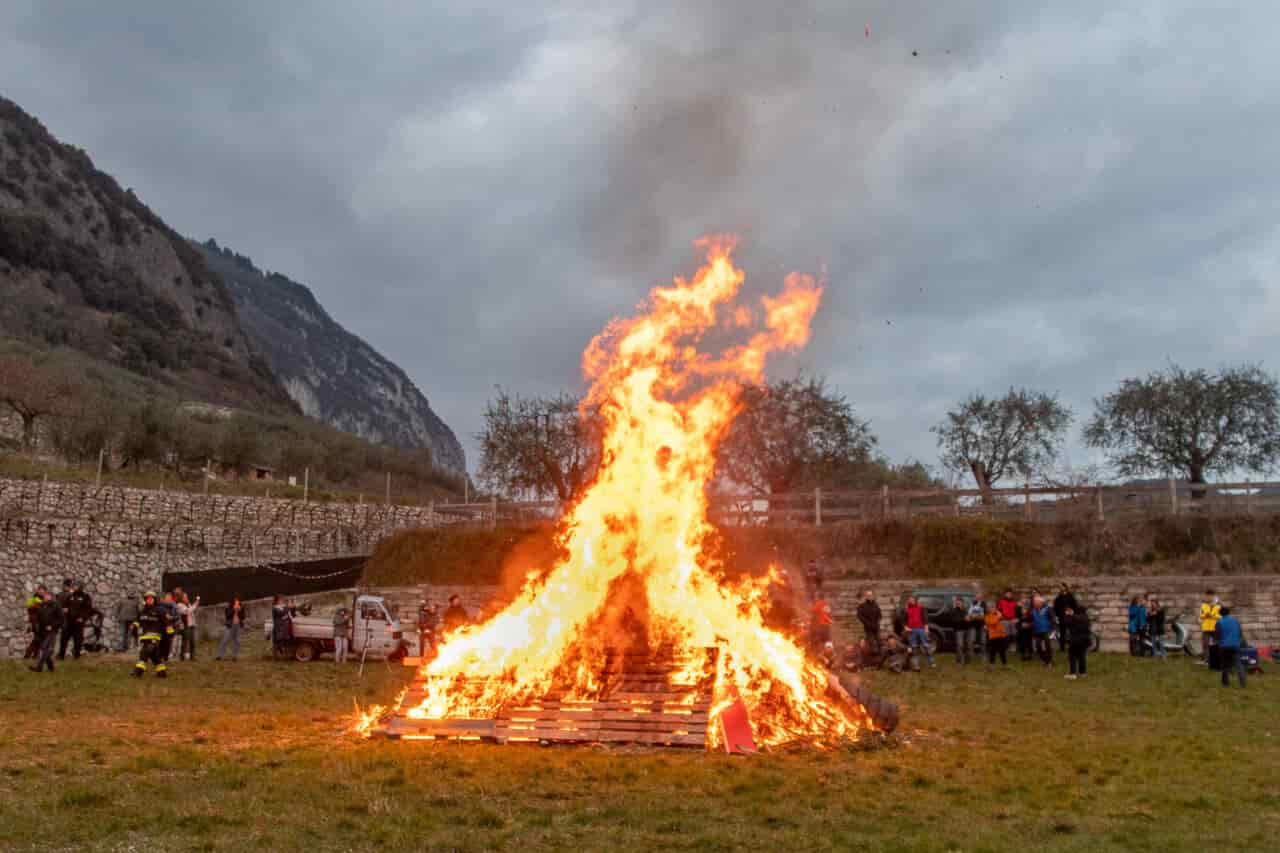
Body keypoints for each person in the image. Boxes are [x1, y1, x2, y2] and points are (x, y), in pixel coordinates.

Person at [131, 592, 171, 678]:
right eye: (147, 598)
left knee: (144, 652)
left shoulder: (159, 610)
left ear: (154, 600)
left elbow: (166, 622)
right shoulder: (142, 611)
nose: (149, 600)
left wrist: (169, 632)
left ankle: (138, 672)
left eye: (151, 598)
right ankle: (162, 672)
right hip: (145, 636)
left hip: (155, 636)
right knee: (155, 656)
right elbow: (137, 621)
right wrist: (134, 628)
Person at [29, 587, 63, 673]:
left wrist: (52, 626)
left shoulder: (56, 605)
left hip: (52, 631)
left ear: (51, 596)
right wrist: (34, 626)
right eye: (45, 596)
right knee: (44, 649)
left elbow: (61, 619)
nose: (45, 597)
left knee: (45, 648)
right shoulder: (42, 605)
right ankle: (51, 667)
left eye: (47, 596)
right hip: (42, 631)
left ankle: (39, 667)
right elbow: (38, 617)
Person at [58, 580, 93, 660]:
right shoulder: (70, 596)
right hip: (69, 621)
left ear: (80, 587)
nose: (74, 587)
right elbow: (65, 605)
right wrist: (65, 610)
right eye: (74, 586)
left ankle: (76, 656)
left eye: (76, 586)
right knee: (64, 638)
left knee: (78, 640)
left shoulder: (85, 597)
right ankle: (61, 655)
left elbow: (88, 609)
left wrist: (82, 618)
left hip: (78, 622)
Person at [1215, 607, 1246, 688]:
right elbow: (1240, 633)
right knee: (1238, 664)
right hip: (1235, 645)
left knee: (1225, 665)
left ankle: (1225, 684)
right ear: (1229, 612)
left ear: (1220, 614)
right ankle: (1242, 682)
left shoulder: (1219, 622)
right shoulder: (1236, 621)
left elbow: (1217, 635)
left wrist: (1218, 643)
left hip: (1224, 646)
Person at [904, 596, 934, 668]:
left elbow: (925, 617)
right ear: (908, 601)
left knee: (925, 646)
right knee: (914, 648)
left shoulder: (921, 607)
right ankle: (916, 664)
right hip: (911, 630)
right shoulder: (906, 609)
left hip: (921, 629)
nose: (911, 601)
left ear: (915, 600)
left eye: (913, 600)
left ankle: (931, 662)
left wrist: (926, 627)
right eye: (910, 600)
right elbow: (903, 619)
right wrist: (905, 627)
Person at [1064, 605, 1092, 679]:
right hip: (1084, 640)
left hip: (1075, 640)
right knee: (1082, 657)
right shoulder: (1086, 618)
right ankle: (1082, 673)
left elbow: (1066, 623)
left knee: (1072, 657)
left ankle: (1072, 673)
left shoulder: (1074, 617)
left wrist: (1068, 615)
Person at [216, 596, 245, 661]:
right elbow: (227, 616)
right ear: (232, 604)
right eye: (235, 603)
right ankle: (219, 655)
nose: (237, 605)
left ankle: (234, 656)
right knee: (225, 640)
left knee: (237, 641)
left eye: (238, 603)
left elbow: (243, 617)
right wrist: (234, 610)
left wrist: (239, 611)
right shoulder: (228, 608)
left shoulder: (241, 608)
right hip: (230, 626)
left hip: (238, 626)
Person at [1030, 595, 1055, 666]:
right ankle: (1045, 659)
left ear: (1040, 602)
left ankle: (1049, 661)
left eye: (1035, 602)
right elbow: (1030, 618)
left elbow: (1052, 618)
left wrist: (1053, 629)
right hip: (1037, 631)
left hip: (1047, 630)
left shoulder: (1048, 608)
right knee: (1038, 646)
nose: (1034, 603)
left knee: (1048, 646)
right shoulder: (1033, 610)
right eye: (1034, 602)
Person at [1199, 589, 1221, 666]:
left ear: (1213, 596)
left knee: (1216, 644)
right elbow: (1201, 616)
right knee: (1205, 644)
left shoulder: (1219, 605)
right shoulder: (1203, 605)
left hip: (1215, 627)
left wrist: (1213, 616)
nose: (1207, 597)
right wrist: (1205, 615)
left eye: (1209, 596)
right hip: (1206, 627)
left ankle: (1215, 660)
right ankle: (1206, 660)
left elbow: (1222, 616)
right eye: (1206, 596)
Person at [960, 595, 985, 665]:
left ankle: (983, 656)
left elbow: (984, 616)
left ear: (981, 597)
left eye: (979, 596)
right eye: (977, 596)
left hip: (982, 625)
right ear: (975, 597)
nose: (978, 597)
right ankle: (971, 656)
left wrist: (977, 617)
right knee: (971, 641)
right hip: (972, 626)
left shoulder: (984, 604)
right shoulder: (972, 603)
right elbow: (969, 614)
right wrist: (972, 616)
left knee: (983, 641)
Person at [1053, 584, 1078, 651]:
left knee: (1072, 633)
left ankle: (1073, 647)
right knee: (1062, 633)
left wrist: (1072, 612)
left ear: (1065, 587)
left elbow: (1075, 606)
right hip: (1061, 618)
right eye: (1060, 587)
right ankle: (1062, 648)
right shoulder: (1058, 598)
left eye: (1062, 586)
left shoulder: (1071, 597)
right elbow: (1055, 608)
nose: (1061, 588)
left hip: (1070, 617)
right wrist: (1056, 615)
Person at [856, 590, 881, 654]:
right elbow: (859, 616)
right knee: (871, 641)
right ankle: (871, 657)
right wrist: (867, 623)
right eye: (868, 595)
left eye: (870, 595)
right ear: (866, 597)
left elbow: (879, 614)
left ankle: (880, 656)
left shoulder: (876, 605)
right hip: (868, 627)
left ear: (873, 596)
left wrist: (877, 622)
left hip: (876, 626)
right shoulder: (862, 606)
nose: (869, 596)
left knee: (879, 641)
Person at [984, 603, 1008, 668]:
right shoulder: (987, 616)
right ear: (988, 609)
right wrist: (998, 617)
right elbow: (992, 623)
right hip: (993, 636)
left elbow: (1002, 618)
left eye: (993, 608)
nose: (992, 609)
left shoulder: (997, 614)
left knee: (1002, 651)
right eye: (990, 608)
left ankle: (1004, 664)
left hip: (1001, 635)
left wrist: (999, 615)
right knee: (992, 651)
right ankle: (992, 665)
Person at [24, 587, 45, 659]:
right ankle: (29, 654)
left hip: (41, 621)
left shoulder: (44, 599)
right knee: (38, 638)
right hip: (35, 621)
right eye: (40, 590)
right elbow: (29, 609)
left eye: (43, 591)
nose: (41, 592)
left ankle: (34, 655)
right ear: (38, 591)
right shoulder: (33, 599)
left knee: (38, 639)